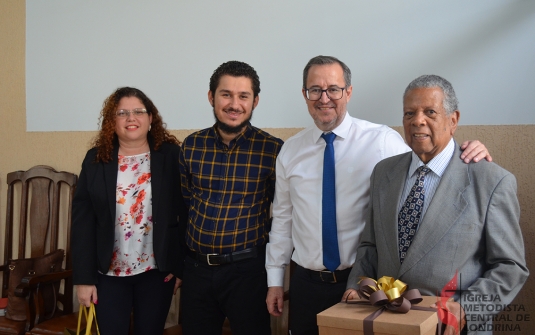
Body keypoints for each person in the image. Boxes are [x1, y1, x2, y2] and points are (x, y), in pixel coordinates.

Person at [265, 56, 492, 335]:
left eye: (334, 89)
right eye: (315, 90)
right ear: (305, 94)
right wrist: (275, 280)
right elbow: (283, 220)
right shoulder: (290, 150)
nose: (324, 98)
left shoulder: (382, 141)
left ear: (348, 92)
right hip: (306, 284)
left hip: (365, 285)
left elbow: (427, 169)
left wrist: (468, 151)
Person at [344, 75, 529, 335]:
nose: (417, 120)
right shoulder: (383, 173)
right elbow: (370, 245)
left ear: (453, 121)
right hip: (386, 322)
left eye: (430, 112)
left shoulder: (491, 181)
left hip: (451, 327)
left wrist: (466, 309)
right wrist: (356, 284)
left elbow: (511, 267)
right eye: (409, 113)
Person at [178, 60, 283, 335]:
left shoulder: (273, 151)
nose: (234, 104)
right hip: (196, 271)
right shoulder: (191, 146)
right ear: (212, 97)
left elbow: (282, 213)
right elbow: (186, 204)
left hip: (247, 273)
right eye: (226, 94)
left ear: (255, 101)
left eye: (243, 96)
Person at [72, 87, 188, 335]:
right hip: (108, 274)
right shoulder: (96, 160)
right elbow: (83, 221)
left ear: (150, 118)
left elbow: (186, 212)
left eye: (138, 111)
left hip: (157, 273)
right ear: (111, 121)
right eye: (122, 113)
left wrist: (180, 267)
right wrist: (84, 279)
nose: (131, 118)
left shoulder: (170, 156)